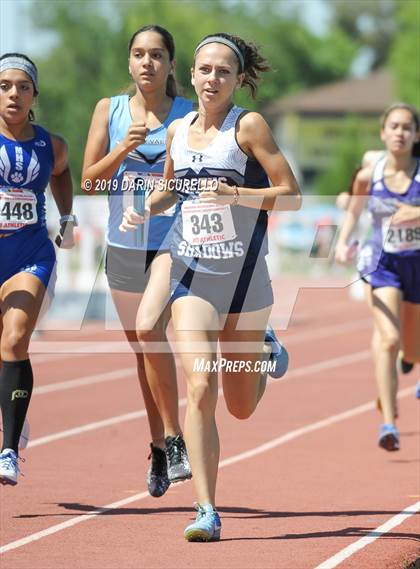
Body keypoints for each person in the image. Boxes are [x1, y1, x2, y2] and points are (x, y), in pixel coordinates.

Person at [121, 32, 300, 541]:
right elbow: (172, 187)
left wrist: (237, 193)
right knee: (201, 384)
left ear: (239, 79)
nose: (212, 79)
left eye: (224, 71)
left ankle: (263, 351)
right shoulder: (178, 129)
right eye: (205, 70)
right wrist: (147, 206)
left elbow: (291, 196)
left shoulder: (249, 126)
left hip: (244, 281)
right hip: (192, 274)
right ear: (192, 75)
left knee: (241, 407)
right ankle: (206, 509)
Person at [81, 25, 193, 497]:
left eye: (157, 55)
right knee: (145, 352)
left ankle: (175, 439)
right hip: (125, 249)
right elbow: (88, 181)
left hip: (176, 244)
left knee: (160, 338)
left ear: (170, 64)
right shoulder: (110, 109)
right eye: (139, 55)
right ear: (129, 63)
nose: (147, 62)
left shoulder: (190, 114)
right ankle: (160, 446)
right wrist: (123, 149)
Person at [0, 53, 76, 484]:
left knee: (14, 340)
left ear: (34, 95)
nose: (14, 93)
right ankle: (12, 415)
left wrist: (66, 217)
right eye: (5, 85)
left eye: (22, 86)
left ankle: (8, 450)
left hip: (30, 254)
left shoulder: (51, 144)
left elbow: (62, 173)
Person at [335, 103, 420, 451]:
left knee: (411, 348)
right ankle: (388, 423)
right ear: (383, 133)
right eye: (394, 126)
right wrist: (342, 242)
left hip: (417, 264)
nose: (399, 132)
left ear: (416, 135)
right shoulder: (370, 175)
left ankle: (411, 359)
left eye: (406, 127)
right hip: (382, 263)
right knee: (387, 338)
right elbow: (353, 210)